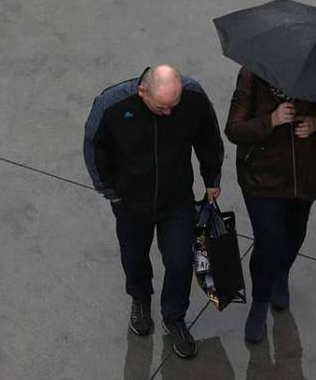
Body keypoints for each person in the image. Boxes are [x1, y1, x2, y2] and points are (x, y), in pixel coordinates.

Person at [85, 65, 224, 359]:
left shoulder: (193, 97)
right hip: (131, 203)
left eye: (174, 106)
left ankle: (175, 316)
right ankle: (140, 298)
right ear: (142, 92)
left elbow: (209, 138)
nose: (169, 113)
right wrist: (110, 190)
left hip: (177, 201)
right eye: (162, 107)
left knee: (179, 261)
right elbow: (94, 147)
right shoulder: (112, 105)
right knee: (134, 254)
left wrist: (212, 179)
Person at [225, 67, 316, 343]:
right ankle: (260, 300)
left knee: (294, 233)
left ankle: (281, 274)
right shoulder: (252, 75)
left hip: (306, 175)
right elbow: (234, 130)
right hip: (261, 178)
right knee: (267, 241)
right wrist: (272, 120)